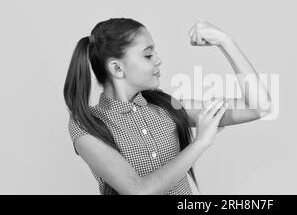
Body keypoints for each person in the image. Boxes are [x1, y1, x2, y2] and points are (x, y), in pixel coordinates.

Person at [63, 18, 272, 195]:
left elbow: (259, 107)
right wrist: (200, 143)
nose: (158, 60)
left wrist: (226, 43)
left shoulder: (164, 105)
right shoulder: (86, 124)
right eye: (148, 55)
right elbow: (139, 191)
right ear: (117, 68)